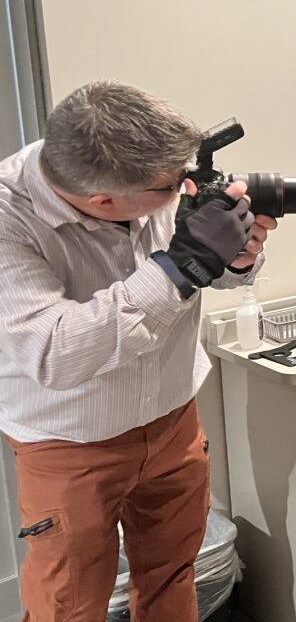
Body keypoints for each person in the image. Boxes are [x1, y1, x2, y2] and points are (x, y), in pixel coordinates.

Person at [0, 81, 277, 621]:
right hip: (71, 441)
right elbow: (55, 351)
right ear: (104, 201)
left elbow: (204, 273)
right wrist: (179, 268)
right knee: (70, 604)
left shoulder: (145, 180)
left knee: (174, 576)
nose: (186, 189)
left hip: (173, 418)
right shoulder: (10, 218)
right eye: (174, 186)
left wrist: (235, 261)